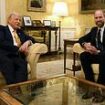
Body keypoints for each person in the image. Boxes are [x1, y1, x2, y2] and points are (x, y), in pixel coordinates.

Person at [0, 12, 35, 85]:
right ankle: (11, 88)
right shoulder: (2, 29)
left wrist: (28, 42)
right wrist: (18, 49)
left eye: (20, 20)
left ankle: (20, 88)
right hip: (4, 54)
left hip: (16, 56)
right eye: (16, 19)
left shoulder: (20, 32)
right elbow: (2, 42)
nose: (18, 22)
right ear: (9, 20)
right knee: (8, 64)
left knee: (22, 64)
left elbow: (32, 39)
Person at [79, 9, 105, 103]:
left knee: (103, 56)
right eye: (96, 18)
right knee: (83, 55)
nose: (98, 19)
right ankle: (91, 86)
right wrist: (85, 44)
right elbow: (81, 39)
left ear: (104, 17)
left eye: (100, 17)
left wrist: (97, 51)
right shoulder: (94, 30)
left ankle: (100, 90)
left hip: (104, 55)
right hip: (97, 55)